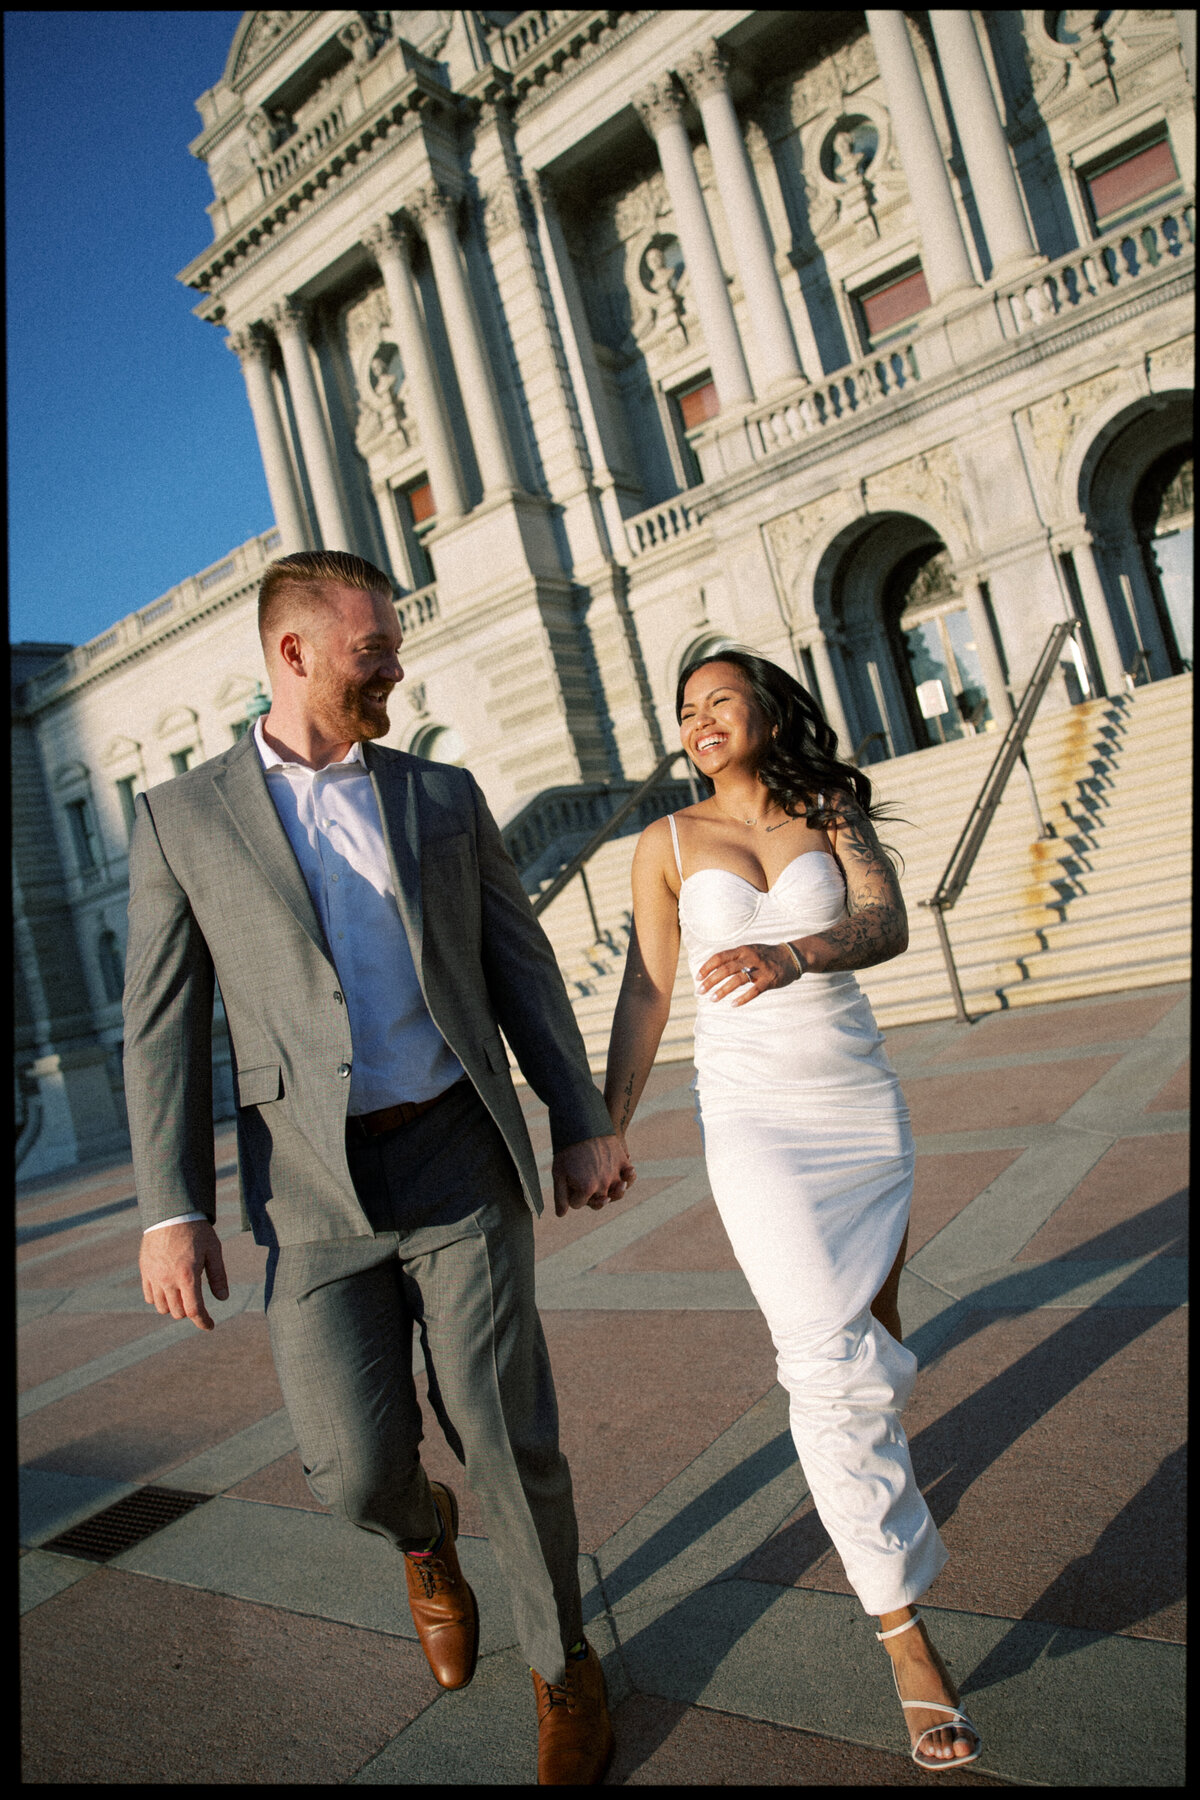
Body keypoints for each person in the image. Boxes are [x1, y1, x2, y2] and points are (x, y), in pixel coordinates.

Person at [125, 549, 632, 1786]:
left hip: (459, 1153)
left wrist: (579, 1114)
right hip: (311, 1191)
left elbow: (521, 971)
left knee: (507, 1436)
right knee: (352, 1467)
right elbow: (162, 1023)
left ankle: (562, 1665)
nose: (396, 665)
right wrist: (169, 1208)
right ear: (293, 653)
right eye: (373, 649)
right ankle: (423, 1539)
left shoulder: (444, 794)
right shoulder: (181, 818)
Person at [602, 649, 982, 1772]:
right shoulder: (665, 844)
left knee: (874, 1346)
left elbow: (885, 922)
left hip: (860, 1104)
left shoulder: (830, 808)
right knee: (824, 1359)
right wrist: (606, 1123)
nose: (700, 720)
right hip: (754, 1117)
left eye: (720, 699)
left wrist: (795, 952)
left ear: (767, 708)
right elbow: (649, 986)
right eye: (685, 710)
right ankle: (905, 1632)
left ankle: (874, 1463)